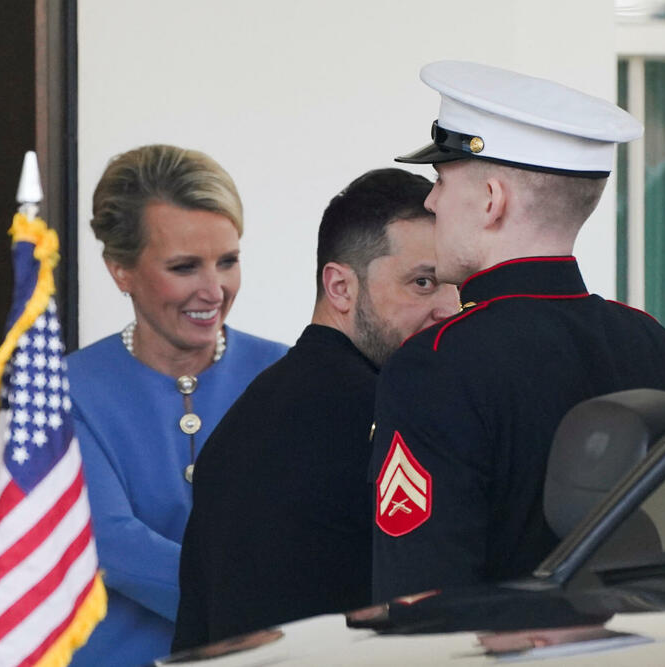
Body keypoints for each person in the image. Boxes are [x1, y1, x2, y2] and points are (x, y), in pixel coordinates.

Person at [370, 61, 665, 601]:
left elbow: (421, 599)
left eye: (441, 180)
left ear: (491, 200)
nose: (431, 202)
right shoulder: (659, 346)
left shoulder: (436, 363)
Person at [171, 168, 459, 652]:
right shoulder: (389, 417)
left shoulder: (248, 415)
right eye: (423, 282)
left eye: (455, 282)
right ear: (341, 287)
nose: (449, 306)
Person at [66, 144, 288, 667]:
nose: (214, 290)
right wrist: (266, 606)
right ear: (121, 270)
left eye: (228, 261)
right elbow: (114, 546)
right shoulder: (65, 391)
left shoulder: (287, 374)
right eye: (185, 267)